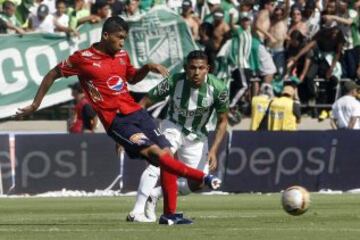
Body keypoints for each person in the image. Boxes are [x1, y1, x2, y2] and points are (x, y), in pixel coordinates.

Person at [15, 16, 221, 225]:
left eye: (125, 38)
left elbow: (131, 78)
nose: (122, 42)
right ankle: (203, 178)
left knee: (166, 153)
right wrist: (35, 104)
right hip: (117, 120)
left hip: (137, 113)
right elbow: (52, 74)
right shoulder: (82, 58)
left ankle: (169, 214)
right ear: (106, 35)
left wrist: (147, 68)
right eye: (119, 37)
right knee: (157, 155)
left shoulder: (122, 55)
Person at [128, 50, 228, 222]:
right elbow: (144, 102)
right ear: (185, 68)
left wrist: (213, 150)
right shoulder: (174, 81)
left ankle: (156, 194)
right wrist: (130, 126)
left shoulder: (219, 89)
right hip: (173, 126)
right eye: (192, 68)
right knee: (159, 160)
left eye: (201, 68)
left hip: (197, 136)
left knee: (198, 183)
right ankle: (136, 211)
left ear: (208, 69)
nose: (196, 72)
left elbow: (222, 121)